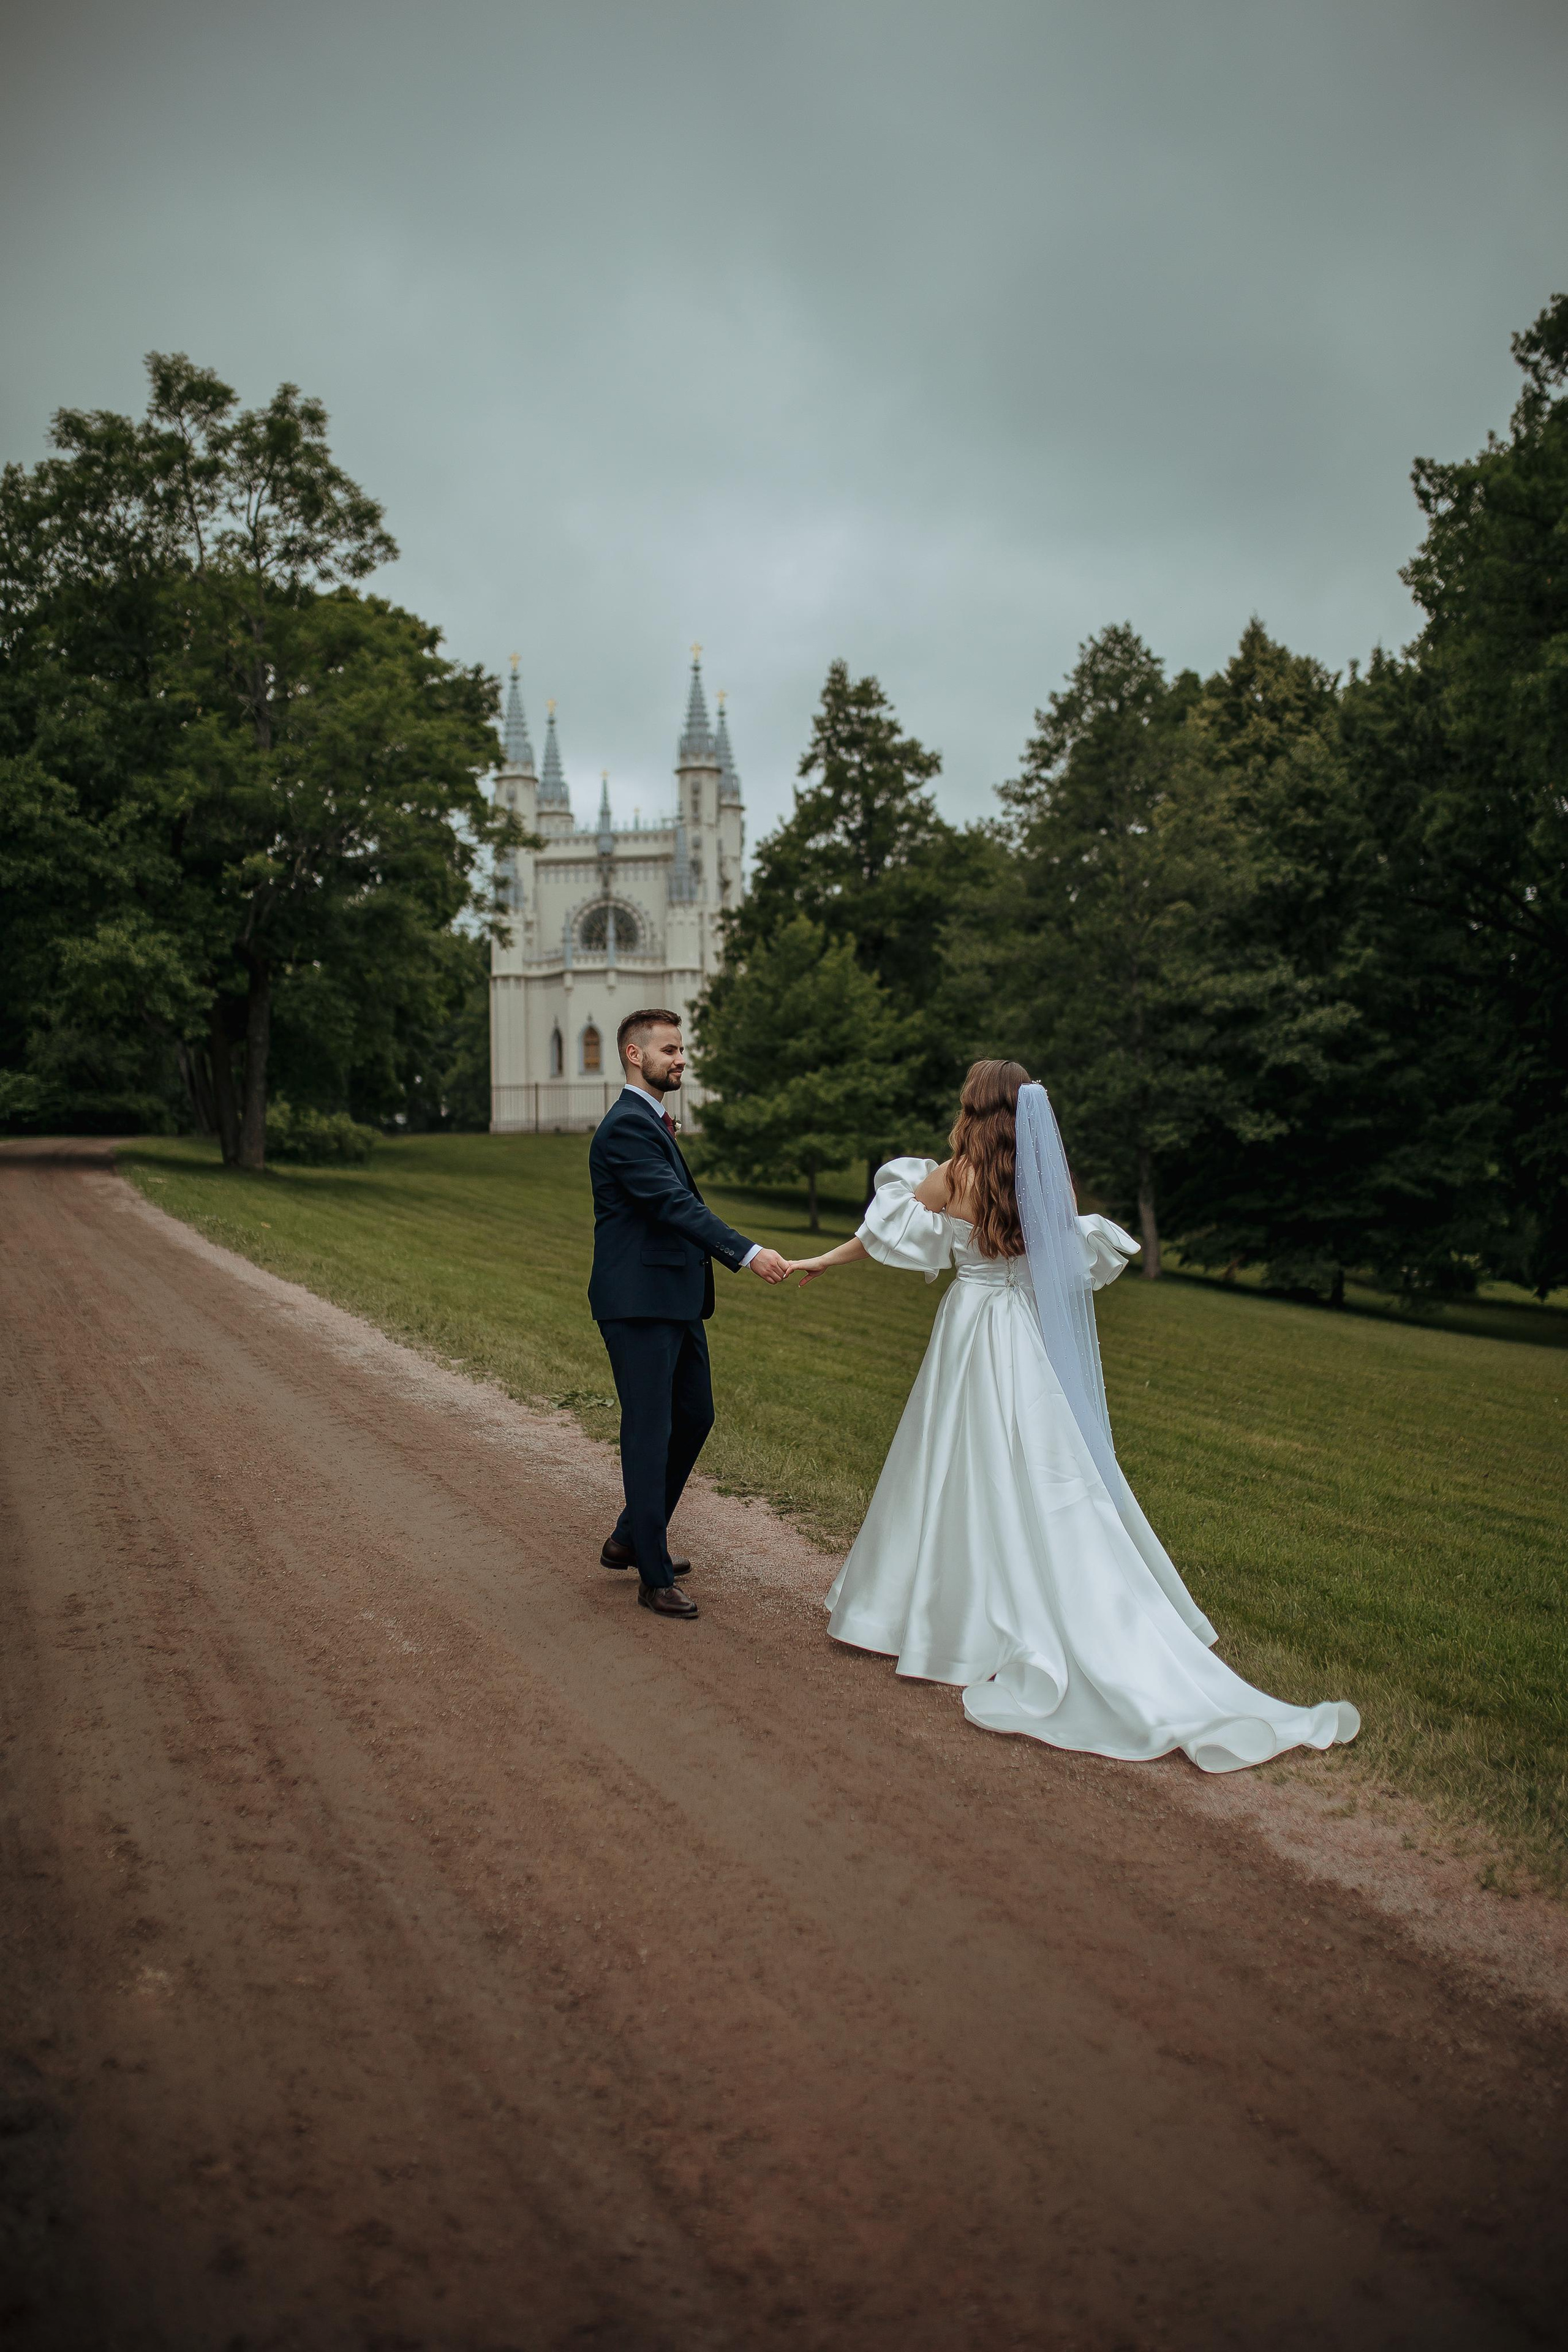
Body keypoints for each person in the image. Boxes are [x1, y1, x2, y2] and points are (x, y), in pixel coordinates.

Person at [783, 1060, 1360, 1772]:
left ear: (972, 1106)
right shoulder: (1044, 1182)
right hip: (1023, 1334)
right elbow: (1063, 1263)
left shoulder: (954, 1175)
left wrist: (820, 1261)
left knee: (955, 1465)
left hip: (969, 1333)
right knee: (1043, 1468)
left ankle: (943, 1617)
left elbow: (881, 1235)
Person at [588, 1008, 788, 1619]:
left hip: (674, 1301)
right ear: (633, 1054)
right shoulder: (625, 1127)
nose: (680, 1060)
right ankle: (652, 1572)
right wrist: (747, 1253)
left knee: (694, 1417)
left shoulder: (652, 1123)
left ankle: (630, 1536)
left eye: (681, 1050)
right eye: (669, 1050)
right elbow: (673, 1205)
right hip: (638, 1304)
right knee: (649, 1434)